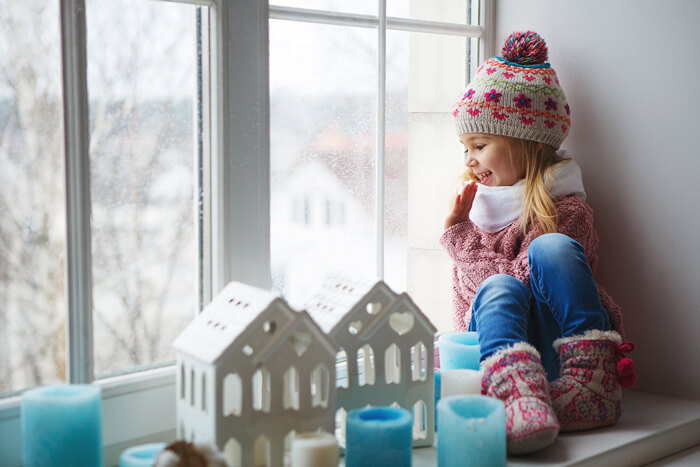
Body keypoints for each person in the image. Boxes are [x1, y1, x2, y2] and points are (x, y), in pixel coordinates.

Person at [442, 31, 636, 454]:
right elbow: (474, 300)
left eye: (479, 145)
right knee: (498, 288)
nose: (469, 160)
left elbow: (528, 281)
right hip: (499, 361)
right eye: (464, 148)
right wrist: (463, 239)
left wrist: (466, 246)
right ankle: (513, 398)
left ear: (524, 145)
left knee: (548, 249)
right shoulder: (472, 213)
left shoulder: (567, 211)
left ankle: (594, 384)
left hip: (558, 365)